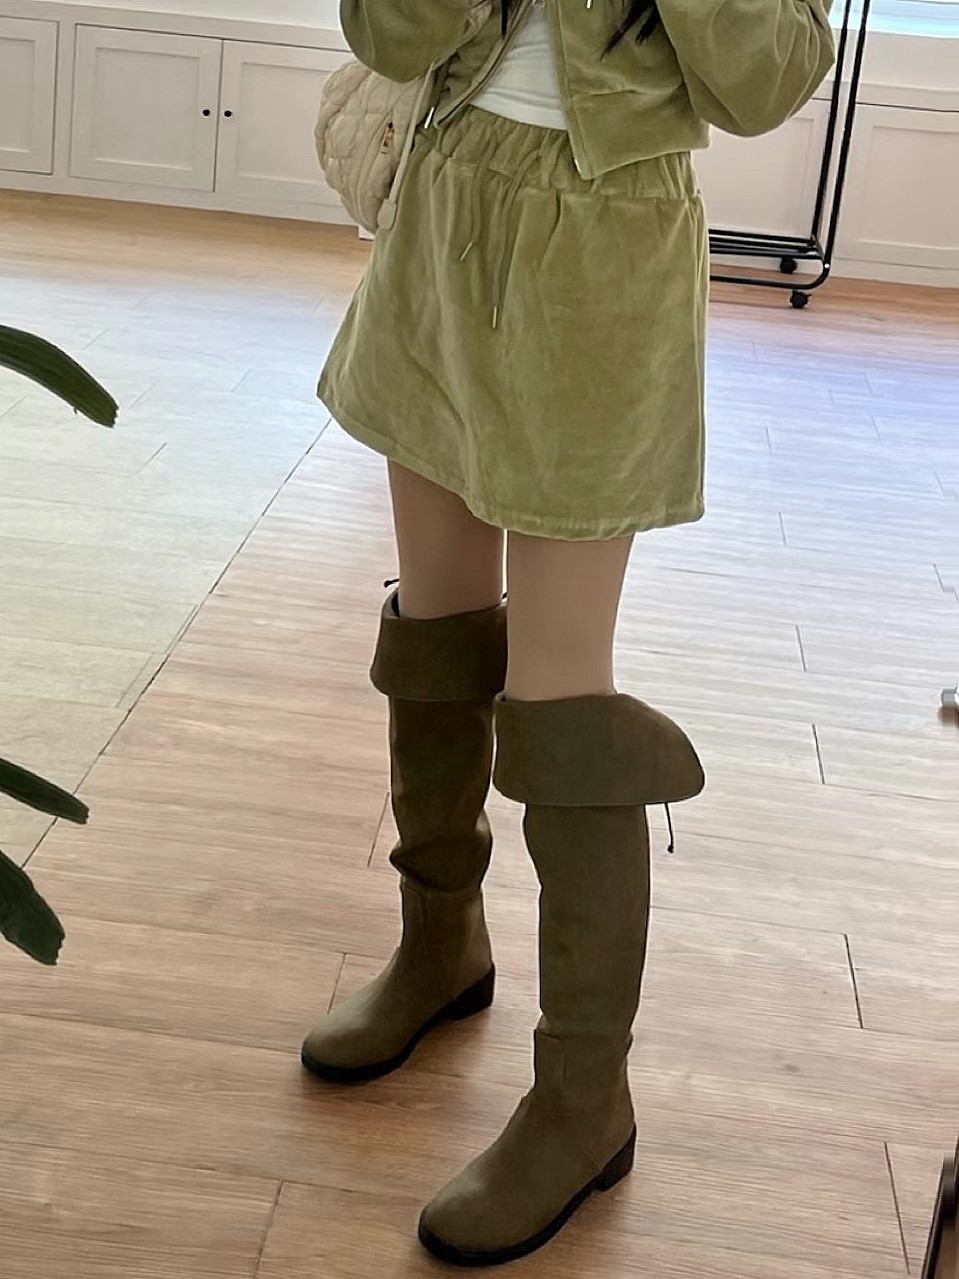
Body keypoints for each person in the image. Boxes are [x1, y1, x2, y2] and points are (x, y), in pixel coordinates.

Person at [307, 0, 835, 1266]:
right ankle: (438, 945)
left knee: (561, 705)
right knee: (434, 624)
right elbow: (385, 33)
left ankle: (583, 1099)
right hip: (443, 194)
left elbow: (765, 81)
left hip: (604, 243)